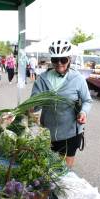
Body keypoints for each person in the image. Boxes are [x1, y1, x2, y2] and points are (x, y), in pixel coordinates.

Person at [31, 39, 92, 168]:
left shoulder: (77, 79)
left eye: (63, 59)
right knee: (47, 169)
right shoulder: (42, 79)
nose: (59, 63)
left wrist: (83, 112)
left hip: (71, 132)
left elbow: (87, 100)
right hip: (47, 132)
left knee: (64, 170)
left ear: (69, 59)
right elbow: (34, 105)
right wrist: (29, 107)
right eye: (55, 60)